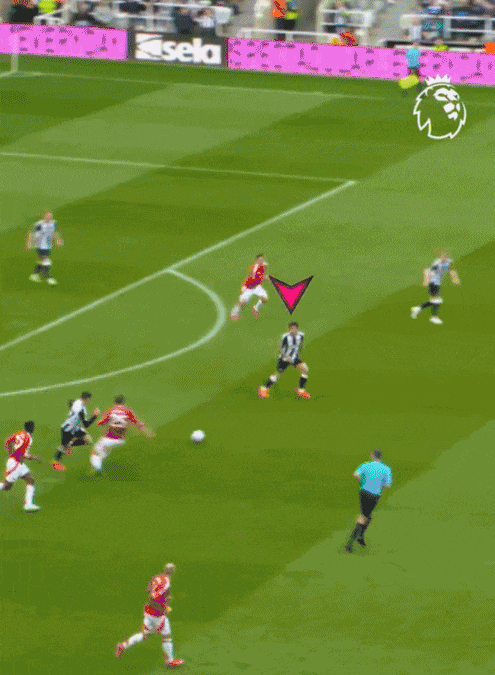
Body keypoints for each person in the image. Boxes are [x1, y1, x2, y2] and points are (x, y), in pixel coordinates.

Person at [116, 563, 184, 668]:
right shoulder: (166, 583)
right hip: (158, 614)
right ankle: (170, 660)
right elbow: (156, 598)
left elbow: (149, 590)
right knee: (166, 636)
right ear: (173, 572)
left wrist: (165, 600)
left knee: (145, 635)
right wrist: (165, 607)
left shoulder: (157, 577)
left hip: (148, 612)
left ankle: (123, 645)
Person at [90, 395, 154, 473]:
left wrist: (96, 416)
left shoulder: (110, 411)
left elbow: (100, 423)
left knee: (95, 452)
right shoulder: (128, 411)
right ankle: (102, 458)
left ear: (114, 402)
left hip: (109, 438)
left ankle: (97, 468)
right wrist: (147, 432)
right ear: (123, 402)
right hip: (121, 440)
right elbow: (138, 423)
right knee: (105, 449)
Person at [345, 449, 392, 553]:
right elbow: (388, 485)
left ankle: (360, 536)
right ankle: (350, 543)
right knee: (364, 517)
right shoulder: (386, 469)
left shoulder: (366, 465)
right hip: (375, 495)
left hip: (363, 492)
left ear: (372, 456)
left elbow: (355, 474)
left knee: (368, 516)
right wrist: (379, 484)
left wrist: (362, 481)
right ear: (380, 457)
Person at [258, 322, 310, 399]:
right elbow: (281, 350)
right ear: (289, 329)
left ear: (297, 329)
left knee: (304, 369)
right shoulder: (285, 337)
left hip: (294, 358)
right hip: (285, 359)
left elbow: (299, 346)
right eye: (291, 329)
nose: (293, 330)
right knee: (277, 375)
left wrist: (298, 355)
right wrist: (286, 357)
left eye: (294, 328)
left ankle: (301, 391)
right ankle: (264, 389)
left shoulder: (301, 335)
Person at [52, 393, 100, 472]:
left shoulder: (77, 402)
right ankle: (55, 462)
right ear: (86, 399)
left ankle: (70, 444)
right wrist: (95, 416)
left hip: (75, 427)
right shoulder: (81, 410)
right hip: (67, 429)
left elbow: (70, 402)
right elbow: (86, 424)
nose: (90, 401)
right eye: (89, 399)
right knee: (63, 447)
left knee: (88, 440)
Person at [0, 421, 42, 512]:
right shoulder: (28, 438)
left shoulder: (19, 433)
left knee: (30, 479)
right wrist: (35, 458)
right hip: (16, 465)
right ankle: (28, 505)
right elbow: (23, 454)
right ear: (31, 428)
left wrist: (10, 454)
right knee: (6, 486)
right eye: (33, 427)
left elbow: (7, 441)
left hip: (18, 463)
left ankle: (28, 505)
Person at [410, 250, 460, 325]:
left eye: (445, 256)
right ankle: (433, 317)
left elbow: (452, 270)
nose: (444, 258)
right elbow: (427, 270)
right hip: (433, 283)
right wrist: (426, 280)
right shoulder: (436, 263)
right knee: (437, 300)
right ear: (440, 257)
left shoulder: (449, 262)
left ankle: (417, 308)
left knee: (433, 301)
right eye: (442, 256)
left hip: (437, 283)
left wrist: (454, 278)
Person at [26, 210, 64, 285]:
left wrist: (58, 240)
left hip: (48, 245)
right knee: (46, 260)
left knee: (42, 261)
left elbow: (54, 232)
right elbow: (32, 233)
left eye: (50, 216)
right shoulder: (39, 224)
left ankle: (34, 275)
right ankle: (49, 278)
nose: (49, 217)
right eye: (47, 216)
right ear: (44, 217)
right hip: (40, 245)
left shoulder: (53, 223)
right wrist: (30, 243)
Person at [230, 254, 268, 321]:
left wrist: (263, 275)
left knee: (265, 298)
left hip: (256, 287)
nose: (261, 260)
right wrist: (264, 277)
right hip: (248, 288)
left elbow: (263, 269)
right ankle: (233, 314)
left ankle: (255, 308)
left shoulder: (263, 265)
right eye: (260, 259)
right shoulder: (254, 268)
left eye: (262, 259)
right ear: (257, 260)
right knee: (242, 303)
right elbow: (255, 278)